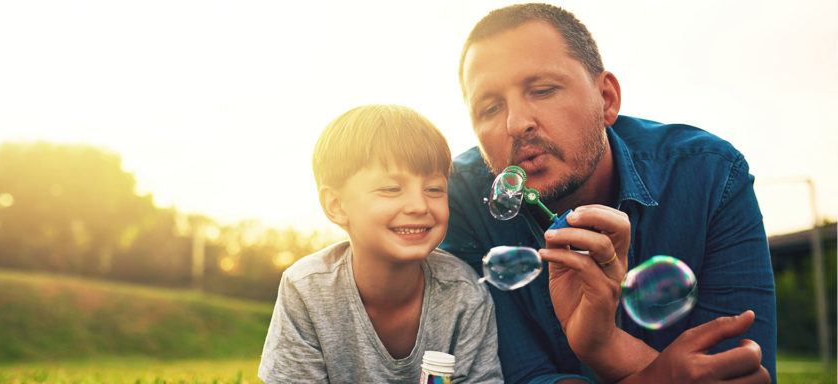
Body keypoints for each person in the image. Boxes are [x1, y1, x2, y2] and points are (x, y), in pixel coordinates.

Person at [439, 3, 776, 384]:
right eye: (489, 107)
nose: (516, 124)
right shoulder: (454, 197)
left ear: (607, 99)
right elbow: (515, 375)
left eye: (543, 89)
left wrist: (604, 345)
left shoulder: (711, 176)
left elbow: (738, 371)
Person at [258, 104, 503, 383]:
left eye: (434, 189)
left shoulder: (464, 293)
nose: (418, 205)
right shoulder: (306, 289)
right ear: (336, 205)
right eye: (390, 189)